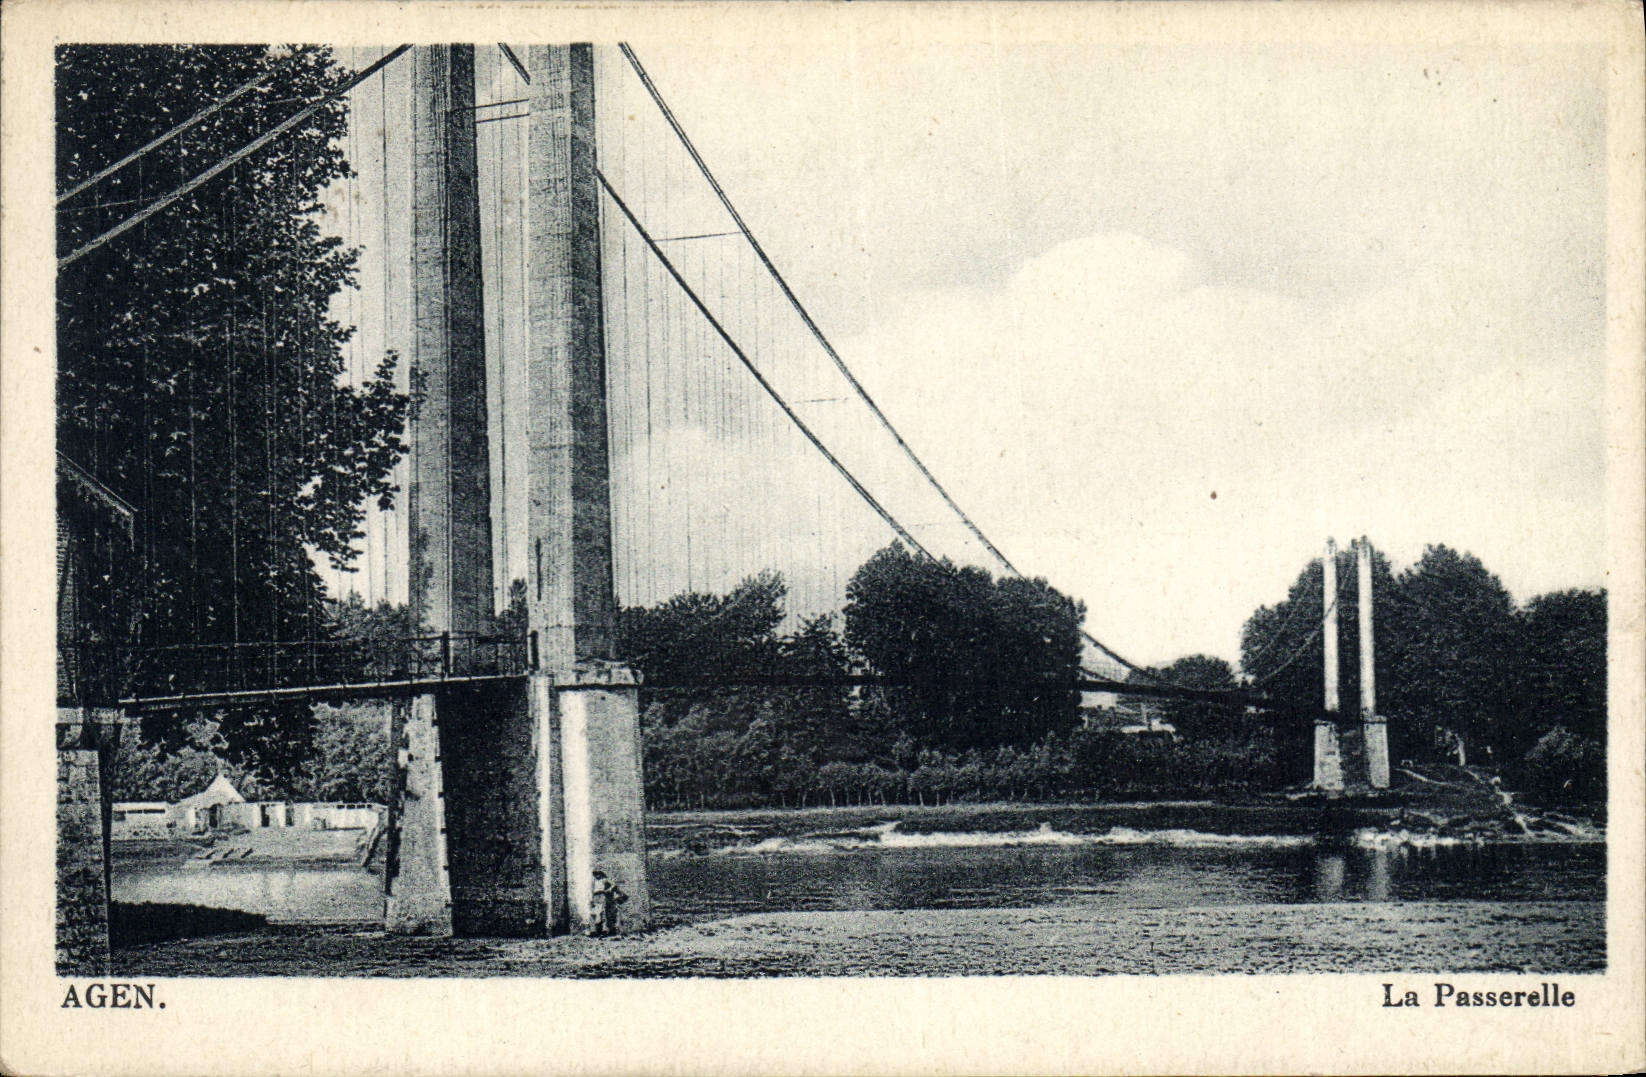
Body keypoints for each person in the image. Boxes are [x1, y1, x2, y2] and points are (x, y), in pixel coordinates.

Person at [589, 870, 628, 937]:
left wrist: (609, 890)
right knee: (596, 913)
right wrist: (592, 899)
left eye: (598, 874)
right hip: (596, 896)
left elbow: (613, 885)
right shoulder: (594, 882)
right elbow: (592, 891)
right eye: (595, 874)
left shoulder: (604, 880)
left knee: (602, 912)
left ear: (601, 874)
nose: (596, 876)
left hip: (602, 895)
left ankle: (605, 930)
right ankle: (595, 930)